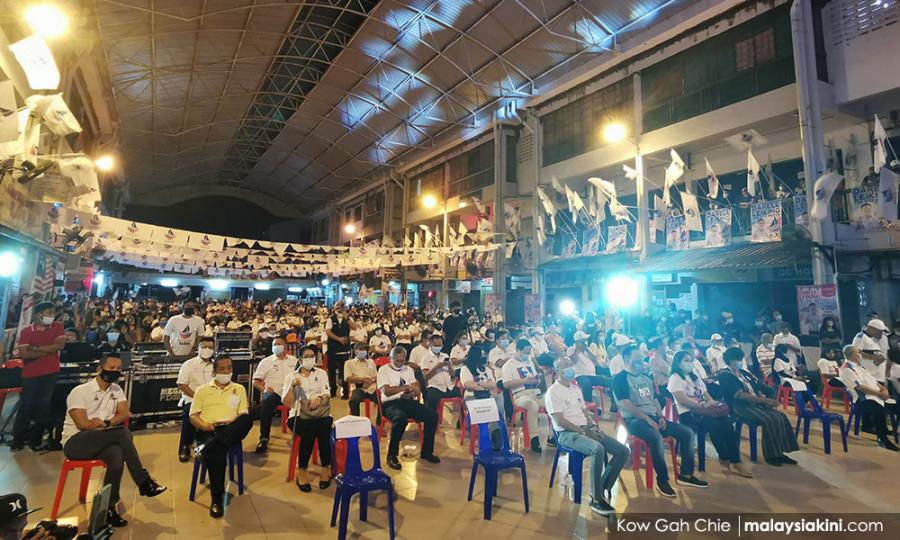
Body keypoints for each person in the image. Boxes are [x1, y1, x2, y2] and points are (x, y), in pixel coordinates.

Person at [62, 355, 167, 526]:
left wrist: (106, 423)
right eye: (111, 368)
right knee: (122, 433)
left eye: (118, 368)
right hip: (76, 442)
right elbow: (82, 424)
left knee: (116, 454)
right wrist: (107, 428)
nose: (115, 371)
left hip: (103, 438)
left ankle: (109, 508)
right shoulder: (80, 391)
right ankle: (143, 481)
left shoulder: (116, 389)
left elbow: (125, 413)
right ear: (99, 369)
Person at [612, 345, 706, 497]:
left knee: (687, 433)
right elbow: (625, 403)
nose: (641, 361)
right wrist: (647, 419)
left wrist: (661, 416)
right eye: (637, 359)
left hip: (653, 417)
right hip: (633, 420)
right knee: (655, 438)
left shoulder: (646, 378)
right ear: (627, 360)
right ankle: (662, 480)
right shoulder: (620, 379)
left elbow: (654, 399)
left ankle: (686, 475)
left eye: (641, 358)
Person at [546, 356, 629, 516]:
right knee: (597, 449)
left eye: (570, 364)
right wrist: (583, 432)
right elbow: (560, 421)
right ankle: (597, 500)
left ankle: (602, 486)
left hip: (585, 428)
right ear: (558, 371)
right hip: (567, 434)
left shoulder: (575, 388)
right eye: (565, 365)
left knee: (623, 451)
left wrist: (593, 426)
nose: (570, 368)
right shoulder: (553, 392)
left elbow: (584, 411)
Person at [667, 351, 751, 478]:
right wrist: (701, 406)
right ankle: (725, 458)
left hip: (704, 409)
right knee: (715, 426)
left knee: (727, 423)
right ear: (678, 363)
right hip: (688, 413)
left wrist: (711, 403)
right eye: (686, 360)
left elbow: (705, 393)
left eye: (691, 360)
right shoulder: (675, 378)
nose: (690, 363)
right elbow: (682, 400)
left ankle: (735, 460)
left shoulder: (693, 376)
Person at [190, 355, 253, 518]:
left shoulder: (239, 388)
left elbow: (243, 414)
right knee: (218, 450)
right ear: (214, 372)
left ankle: (208, 447)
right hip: (208, 429)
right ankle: (216, 498)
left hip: (232, 428)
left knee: (247, 419)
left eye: (229, 368)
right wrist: (207, 426)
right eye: (222, 369)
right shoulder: (202, 390)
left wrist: (230, 424)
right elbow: (193, 416)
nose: (226, 372)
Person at [716, 347, 799, 466]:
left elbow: (759, 385)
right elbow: (740, 395)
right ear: (729, 361)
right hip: (740, 407)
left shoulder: (744, 373)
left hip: (756, 404)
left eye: (740, 359)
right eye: (737, 360)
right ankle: (771, 455)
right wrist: (765, 400)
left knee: (781, 417)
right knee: (770, 419)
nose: (740, 362)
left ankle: (780, 452)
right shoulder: (725, 375)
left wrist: (772, 394)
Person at [11, 302, 66, 451]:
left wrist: (35, 349)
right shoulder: (27, 331)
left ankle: (36, 439)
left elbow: (59, 345)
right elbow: (24, 353)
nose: (51, 316)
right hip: (31, 374)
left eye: (53, 313)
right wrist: (48, 351)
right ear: (38, 314)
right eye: (48, 313)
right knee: (26, 405)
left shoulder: (57, 326)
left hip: (50, 372)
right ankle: (18, 439)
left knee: (44, 405)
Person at [376, 346, 440, 470]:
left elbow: (416, 387)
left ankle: (427, 452)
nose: (400, 363)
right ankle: (392, 455)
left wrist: (414, 391)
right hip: (390, 403)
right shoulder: (383, 370)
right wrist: (405, 388)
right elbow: (387, 391)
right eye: (397, 360)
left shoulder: (408, 369)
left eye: (402, 360)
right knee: (400, 418)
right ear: (391, 359)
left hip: (408, 400)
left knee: (432, 415)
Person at [281, 347, 333, 491]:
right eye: (306, 356)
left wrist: (319, 398)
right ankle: (302, 470)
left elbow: (327, 393)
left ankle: (325, 467)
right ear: (300, 360)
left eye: (312, 356)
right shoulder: (291, 376)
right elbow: (287, 403)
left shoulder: (321, 373)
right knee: (309, 429)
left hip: (320, 412)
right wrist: (292, 387)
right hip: (298, 415)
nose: (310, 359)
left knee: (324, 427)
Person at [839, 345, 900, 451]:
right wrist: (878, 394)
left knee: (897, 407)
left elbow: (874, 381)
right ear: (853, 355)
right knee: (878, 410)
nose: (860, 355)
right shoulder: (847, 369)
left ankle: (890, 432)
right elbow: (860, 387)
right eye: (858, 352)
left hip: (876, 395)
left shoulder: (860, 367)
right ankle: (883, 439)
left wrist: (884, 390)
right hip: (863, 399)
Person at [252, 336, 298, 453]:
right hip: (275, 394)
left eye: (279, 344)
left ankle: (301, 435)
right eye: (274, 345)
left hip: (291, 393)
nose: (276, 346)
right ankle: (264, 438)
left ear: (285, 346)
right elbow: (256, 381)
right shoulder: (266, 362)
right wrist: (264, 389)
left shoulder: (294, 361)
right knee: (267, 402)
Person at [176, 336, 217, 462]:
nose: (207, 349)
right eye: (204, 347)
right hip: (192, 398)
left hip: (213, 399)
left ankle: (214, 444)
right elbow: (182, 385)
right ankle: (185, 446)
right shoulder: (189, 364)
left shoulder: (216, 365)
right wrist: (198, 398)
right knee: (190, 414)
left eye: (210, 347)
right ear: (198, 348)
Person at [501, 339, 545, 453]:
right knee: (532, 405)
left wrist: (537, 380)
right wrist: (524, 381)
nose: (527, 355)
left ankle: (553, 436)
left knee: (551, 403)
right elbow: (506, 384)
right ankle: (534, 438)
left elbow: (534, 377)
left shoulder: (529, 362)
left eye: (529, 352)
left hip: (535, 392)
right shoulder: (508, 365)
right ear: (518, 350)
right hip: (520, 395)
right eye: (525, 352)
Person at [459, 345, 503, 450]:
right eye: (482, 354)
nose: (484, 357)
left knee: (499, 399)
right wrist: (484, 385)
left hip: (487, 396)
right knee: (488, 408)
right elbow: (468, 384)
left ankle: (496, 431)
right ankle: (492, 435)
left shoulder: (486, 369)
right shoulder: (465, 369)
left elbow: (492, 384)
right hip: (472, 398)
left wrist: (479, 385)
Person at [420, 334, 462, 414]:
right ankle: (433, 418)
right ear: (430, 345)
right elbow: (425, 377)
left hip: (448, 387)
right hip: (434, 387)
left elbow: (453, 374)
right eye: (436, 345)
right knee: (432, 399)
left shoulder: (445, 356)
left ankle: (460, 418)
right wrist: (437, 366)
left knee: (460, 392)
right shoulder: (425, 358)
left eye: (440, 345)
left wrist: (449, 366)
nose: (438, 347)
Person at [325, 305, 357, 399]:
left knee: (344, 372)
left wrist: (347, 318)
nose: (340, 309)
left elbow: (355, 327)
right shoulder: (331, 319)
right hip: (333, 349)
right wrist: (338, 339)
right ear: (335, 308)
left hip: (344, 350)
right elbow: (328, 332)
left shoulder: (348, 318)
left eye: (342, 307)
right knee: (331, 371)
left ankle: (346, 392)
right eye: (338, 307)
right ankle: (333, 391)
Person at [568, 331, 606, 404]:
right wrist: (577, 349)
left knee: (608, 381)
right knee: (587, 384)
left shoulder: (587, 349)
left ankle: (613, 406)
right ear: (578, 342)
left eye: (585, 340)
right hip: (580, 375)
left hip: (592, 375)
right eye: (583, 341)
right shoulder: (571, 349)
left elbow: (595, 361)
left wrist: (587, 350)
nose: (585, 342)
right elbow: (574, 361)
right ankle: (589, 404)